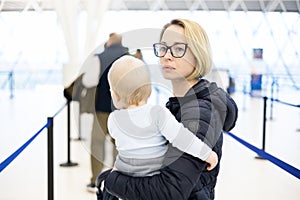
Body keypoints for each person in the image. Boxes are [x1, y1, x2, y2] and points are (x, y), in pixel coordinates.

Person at [99, 18, 238, 200]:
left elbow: (168, 191)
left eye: (178, 49)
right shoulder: (176, 106)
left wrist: (110, 181)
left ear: (198, 55)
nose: (167, 55)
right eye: (163, 48)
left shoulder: (201, 113)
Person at [107, 55, 218, 178]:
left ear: (115, 96)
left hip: (126, 175)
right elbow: (182, 138)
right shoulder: (158, 113)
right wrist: (207, 154)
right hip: (155, 175)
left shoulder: (113, 119)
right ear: (148, 88)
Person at [86, 32, 129, 192]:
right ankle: (119, 180)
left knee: (97, 143)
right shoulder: (128, 57)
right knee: (120, 144)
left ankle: (95, 180)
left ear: (109, 42)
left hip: (102, 108)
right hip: (123, 110)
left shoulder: (100, 57)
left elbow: (88, 81)